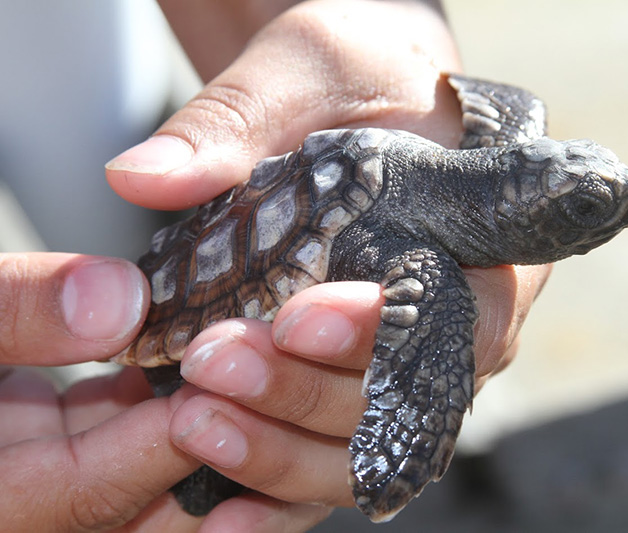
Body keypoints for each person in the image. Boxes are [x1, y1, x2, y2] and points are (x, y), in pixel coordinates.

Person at [0, 1, 551, 530]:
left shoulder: (442, 174)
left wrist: (370, 29)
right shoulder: (428, 258)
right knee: (438, 311)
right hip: (204, 290)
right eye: (590, 206)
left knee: (111, 238)